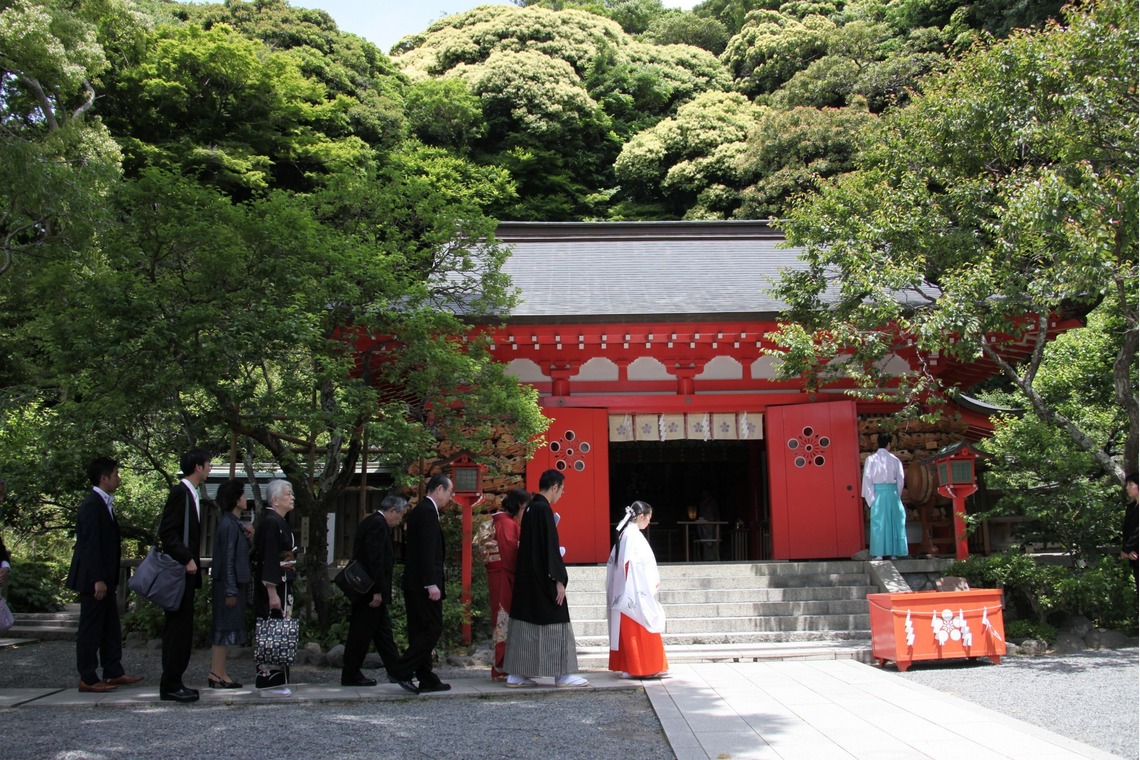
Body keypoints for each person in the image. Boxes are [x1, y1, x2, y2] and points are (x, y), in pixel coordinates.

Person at [503, 469, 588, 688]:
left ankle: (516, 674)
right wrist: (559, 579)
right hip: (543, 578)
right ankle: (562, 674)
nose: (562, 494)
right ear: (554, 487)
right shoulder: (544, 509)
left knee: (526, 622)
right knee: (558, 617)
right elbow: (549, 548)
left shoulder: (530, 508)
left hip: (528, 579)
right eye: (562, 489)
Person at [65, 457, 143, 693]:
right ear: (104, 477)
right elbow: (90, 545)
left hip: (106, 576)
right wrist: (98, 578)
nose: (118, 479)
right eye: (116, 474)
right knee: (91, 627)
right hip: (93, 578)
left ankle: (113, 670)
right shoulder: (91, 505)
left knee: (110, 625)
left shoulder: (105, 503)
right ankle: (88, 676)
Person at [390, 474, 453, 694]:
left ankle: (426, 677)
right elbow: (425, 552)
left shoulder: (423, 511)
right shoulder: (427, 512)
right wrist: (431, 583)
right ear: (438, 489)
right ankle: (401, 669)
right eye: (449, 492)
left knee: (419, 630)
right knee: (432, 628)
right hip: (423, 583)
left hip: (415, 582)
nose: (450, 497)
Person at [158, 448, 211, 703]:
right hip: (181, 570)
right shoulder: (180, 492)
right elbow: (167, 532)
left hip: (186, 571)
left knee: (182, 627)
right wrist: (187, 557)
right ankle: (170, 683)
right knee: (177, 628)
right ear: (198, 467)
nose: (210, 468)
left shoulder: (193, 494)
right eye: (208, 464)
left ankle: (175, 680)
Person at [341, 494, 410, 688]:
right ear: (392, 511)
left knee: (383, 633)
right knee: (361, 633)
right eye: (401, 514)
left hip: (367, 588)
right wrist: (377, 590)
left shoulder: (371, 522)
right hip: (370, 591)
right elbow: (374, 560)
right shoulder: (378, 525)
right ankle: (351, 673)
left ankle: (396, 670)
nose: (400, 519)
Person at [607, 500, 668, 679]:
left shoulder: (625, 533)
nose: (649, 522)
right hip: (634, 587)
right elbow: (638, 564)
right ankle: (643, 667)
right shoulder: (633, 536)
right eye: (648, 518)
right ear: (641, 516)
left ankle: (628, 667)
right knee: (641, 626)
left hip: (625, 588)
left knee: (629, 629)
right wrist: (651, 583)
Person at [252, 478, 298, 691]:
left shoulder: (278, 521)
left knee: (281, 629)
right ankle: (269, 677)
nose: (292, 497)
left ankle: (279, 677)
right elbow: (269, 558)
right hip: (274, 586)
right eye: (288, 494)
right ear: (275, 500)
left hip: (283, 582)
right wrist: (272, 592)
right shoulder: (271, 522)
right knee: (272, 627)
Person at [207, 479, 251, 689]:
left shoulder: (233, 524)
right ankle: (217, 672)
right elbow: (227, 559)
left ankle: (219, 671)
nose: (245, 499)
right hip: (227, 585)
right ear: (235, 500)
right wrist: (231, 590)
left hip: (228, 583)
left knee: (223, 630)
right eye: (242, 495)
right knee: (222, 629)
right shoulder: (228, 525)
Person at [482, 488, 529, 681]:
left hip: (498, 574)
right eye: (525, 507)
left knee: (501, 618)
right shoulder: (507, 524)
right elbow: (511, 553)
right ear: (519, 506)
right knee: (504, 619)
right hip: (504, 575)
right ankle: (502, 667)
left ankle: (502, 666)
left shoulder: (499, 522)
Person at [861, 433, 908, 560]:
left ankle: (879, 553)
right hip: (892, 492)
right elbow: (900, 479)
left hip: (878, 493)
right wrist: (896, 494)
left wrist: (871, 499)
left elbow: (867, 480)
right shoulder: (895, 460)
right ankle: (894, 553)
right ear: (889, 444)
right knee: (894, 521)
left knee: (879, 522)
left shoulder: (871, 459)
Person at [1121, 471, 1138, 588]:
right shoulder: (1131, 507)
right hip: (1134, 554)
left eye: (1131, 484)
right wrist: (1129, 550)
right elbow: (1127, 530)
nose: (1128, 488)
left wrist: (1127, 549)